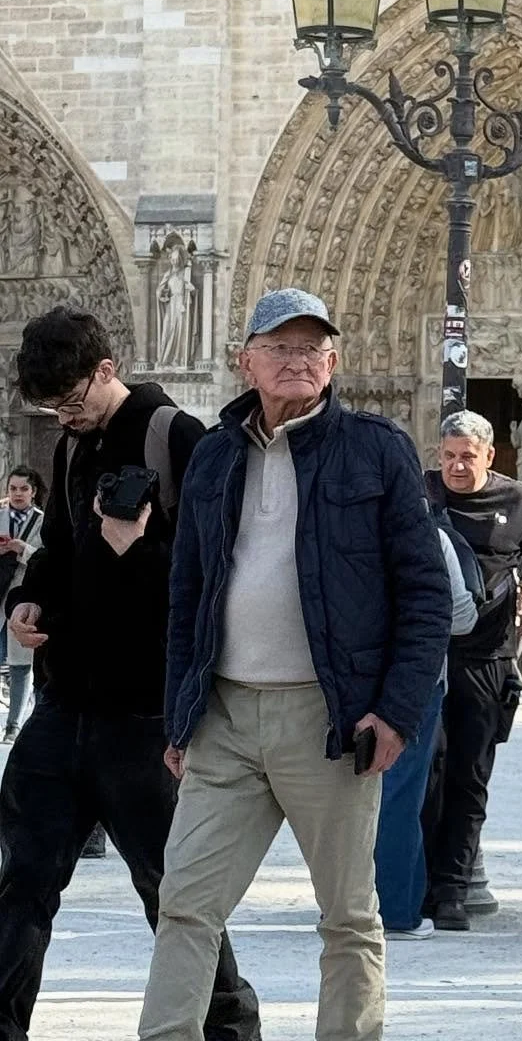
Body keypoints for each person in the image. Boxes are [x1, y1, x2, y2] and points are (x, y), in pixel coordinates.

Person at [138, 288, 451, 1041]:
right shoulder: (213, 456)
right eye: (279, 347)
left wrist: (397, 710)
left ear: (334, 362)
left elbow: (424, 591)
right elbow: (188, 597)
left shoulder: (376, 448)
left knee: (348, 915)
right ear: (245, 360)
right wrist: (180, 714)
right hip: (225, 716)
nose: (296, 361)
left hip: (329, 720)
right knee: (184, 901)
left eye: (312, 348)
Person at [0, 307, 260, 1041]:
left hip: (143, 715)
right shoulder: (68, 446)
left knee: (174, 895)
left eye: (74, 402)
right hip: (63, 703)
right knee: (22, 879)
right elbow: (53, 546)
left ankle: (231, 1030)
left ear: (107, 370)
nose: (66, 418)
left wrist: (134, 550)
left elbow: (220, 577)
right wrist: (26, 601)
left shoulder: (178, 438)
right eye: (51, 409)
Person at [423, 410, 522, 930]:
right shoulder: (421, 494)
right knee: (425, 774)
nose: (457, 467)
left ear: (490, 456)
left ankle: (453, 891)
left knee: (469, 775)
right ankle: (418, 882)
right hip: (425, 657)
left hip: (488, 656)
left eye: (468, 457)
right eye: (449, 457)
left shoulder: (518, 501)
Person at [374, 526, 478, 940]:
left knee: (350, 794)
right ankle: (397, 909)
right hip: (415, 681)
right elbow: (463, 615)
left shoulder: (342, 525)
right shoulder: (430, 537)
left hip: (348, 679)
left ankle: (352, 904)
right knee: (400, 794)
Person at [0, 467, 44, 743]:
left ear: (33, 491)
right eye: (13, 488)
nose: (17, 494)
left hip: (24, 595)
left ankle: (13, 725)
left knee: (21, 664)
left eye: (23, 489)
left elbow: (47, 556)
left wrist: (22, 549)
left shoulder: (43, 521)